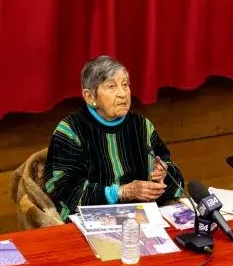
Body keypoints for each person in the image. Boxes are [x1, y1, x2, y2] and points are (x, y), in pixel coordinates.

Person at [44, 55, 184, 222]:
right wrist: (121, 192)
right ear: (90, 97)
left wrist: (164, 175)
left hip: (141, 219)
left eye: (125, 84)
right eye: (111, 86)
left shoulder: (142, 126)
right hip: (87, 221)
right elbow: (66, 190)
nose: (123, 94)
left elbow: (176, 180)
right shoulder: (71, 130)